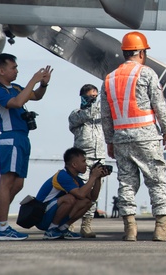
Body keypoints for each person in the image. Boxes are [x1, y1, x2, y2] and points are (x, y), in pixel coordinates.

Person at [100, 31, 166, 242]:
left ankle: (130, 229)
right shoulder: (147, 73)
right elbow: (159, 105)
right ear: (141, 52)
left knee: (126, 182)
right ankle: (161, 228)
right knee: (156, 181)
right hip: (146, 136)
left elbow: (105, 115)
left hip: (121, 139)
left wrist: (109, 141)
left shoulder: (109, 79)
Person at [0, 53, 51, 241]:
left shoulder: (17, 88)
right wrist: (33, 80)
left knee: (17, 183)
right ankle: (2, 227)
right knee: (6, 181)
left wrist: (43, 84)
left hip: (21, 138)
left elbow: (36, 96)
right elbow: (18, 102)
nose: (16, 71)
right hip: (10, 139)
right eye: (13, 68)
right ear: (1, 71)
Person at [34, 147, 111, 239]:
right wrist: (93, 177)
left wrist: (98, 178)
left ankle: (63, 229)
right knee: (70, 198)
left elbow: (92, 197)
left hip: (51, 212)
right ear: (74, 164)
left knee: (87, 202)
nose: (86, 165)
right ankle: (51, 230)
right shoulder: (62, 176)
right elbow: (80, 194)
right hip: (41, 215)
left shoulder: (76, 179)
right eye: (83, 161)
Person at [68, 83, 105, 238]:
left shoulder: (100, 114)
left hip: (99, 156)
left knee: (94, 193)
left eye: (96, 96)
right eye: (91, 96)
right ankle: (69, 224)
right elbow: (86, 115)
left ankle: (87, 225)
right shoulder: (76, 114)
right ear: (83, 97)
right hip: (82, 158)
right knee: (79, 192)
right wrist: (94, 103)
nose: (94, 99)